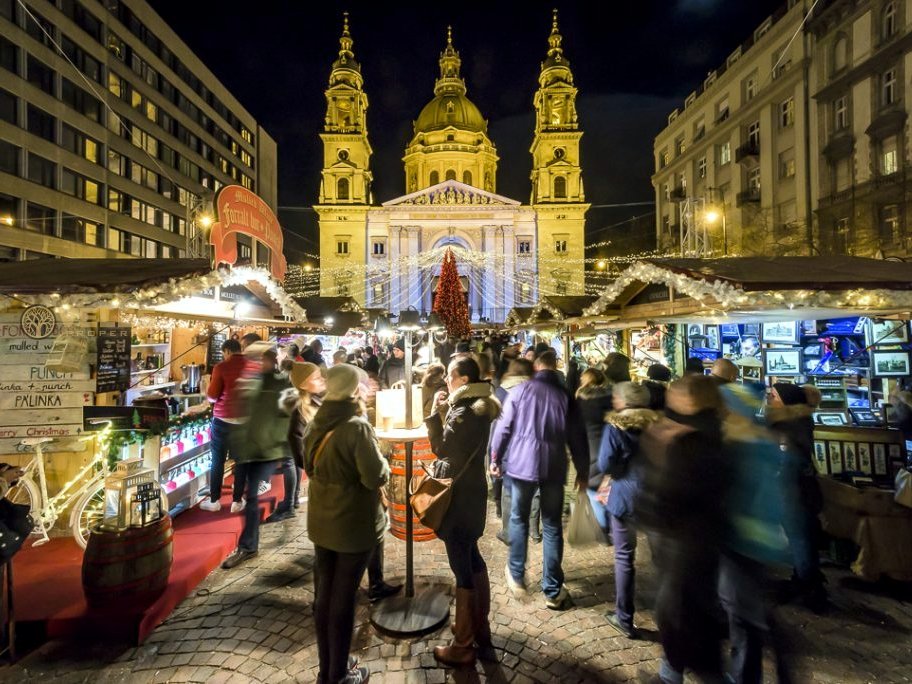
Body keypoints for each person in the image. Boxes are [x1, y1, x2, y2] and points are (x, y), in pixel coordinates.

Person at [637, 375, 729, 683]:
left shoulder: (693, 438)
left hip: (687, 543)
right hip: (690, 540)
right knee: (683, 613)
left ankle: (682, 674)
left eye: (677, 392)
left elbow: (676, 492)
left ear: (691, 400)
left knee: (679, 614)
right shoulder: (695, 431)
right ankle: (672, 673)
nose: (670, 395)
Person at [304, 364, 388, 684]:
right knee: (343, 598)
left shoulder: (315, 422)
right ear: (353, 390)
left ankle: (328, 669)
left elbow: (309, 467)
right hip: (352, 523)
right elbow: (374, 476)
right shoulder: (356, 427)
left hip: (321, 521)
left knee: (324, 596)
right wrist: (384, 462)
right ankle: (338, 675)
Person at [490, 350, 588, 610]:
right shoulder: (565, 395)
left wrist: (495, 458)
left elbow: (503, 427)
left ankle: (517, 575)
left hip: (521, 465)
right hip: (553, 466)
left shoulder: (521, 391)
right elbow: (578, 437)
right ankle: (552, 590)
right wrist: (583, 471)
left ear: (536, 367)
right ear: (555, 368)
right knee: (552, 525)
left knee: (519, 519)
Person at [426, 357, 501, 666]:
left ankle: (463, 645)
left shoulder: (464, 411)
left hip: (458, 496)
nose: (447, 379)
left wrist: (435, 415)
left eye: (451, 375)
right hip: (472, 492)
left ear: (465, 379)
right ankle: (479, 627)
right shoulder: (477, 407)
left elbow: (442, 449)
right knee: (472, 556)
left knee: (461, 566)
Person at [596, 382, 659, 638]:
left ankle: (624, 617)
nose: (613, 401)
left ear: (625, 401)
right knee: (661, 560)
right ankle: (669, 618)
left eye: (616, 397)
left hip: (625, 496)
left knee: (624, 557)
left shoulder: (616, 426)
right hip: (655, 495)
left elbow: (605, 463)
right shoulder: (660, 424)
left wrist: (620, 470)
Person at [222, 349, 291, 568]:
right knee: (249, 496)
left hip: (268, 450)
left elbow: (287, 415)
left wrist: (278, 441)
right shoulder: (252, 382)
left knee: (251, 495)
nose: (258, 363)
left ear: (271, 361)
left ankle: (248, 546)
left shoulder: (281, 384)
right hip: (249, 448)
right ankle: (249, 545)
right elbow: (243, 413)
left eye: (262, 359)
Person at [766, 382, 827, 613]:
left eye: (774, 396)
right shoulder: (794, 421)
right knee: (800, 539)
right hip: (794, 490)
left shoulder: (791, 425)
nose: (769, 398)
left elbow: (790, 461)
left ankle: (811, 589)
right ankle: (803, 579)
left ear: (786, 401)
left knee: (800, 540)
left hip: (794, 492)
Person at [200, 339, 251, 513]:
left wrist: (208, 388)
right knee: (241, 462)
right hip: (244, 421)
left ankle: (214, 500)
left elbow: (212, 396)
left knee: (217, 460)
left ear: (227, 351)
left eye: (223, 353)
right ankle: (237, 501)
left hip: (222, 420)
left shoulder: (221, 367)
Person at [493, 358, 536, 545]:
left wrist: (494, 457)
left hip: (511, 450)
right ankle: (533, 530)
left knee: (509, 492)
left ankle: (509, 532)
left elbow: (498, 429)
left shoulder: (501, 393)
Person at [276, 362, 324, 521]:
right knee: (291, 462)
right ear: (303, 384)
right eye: (316, 378)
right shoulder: (300, 402)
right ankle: (292, 500)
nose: (321, 380)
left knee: (289, 462)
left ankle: (290, 503)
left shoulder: (307, 401)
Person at [576, 368, 614, 537]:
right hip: (610, 447)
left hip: (589, 450)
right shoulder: (612, 398)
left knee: (592, 490)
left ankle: (603, 529)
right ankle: (613, 524)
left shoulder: (581, 401)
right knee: (609, 485)